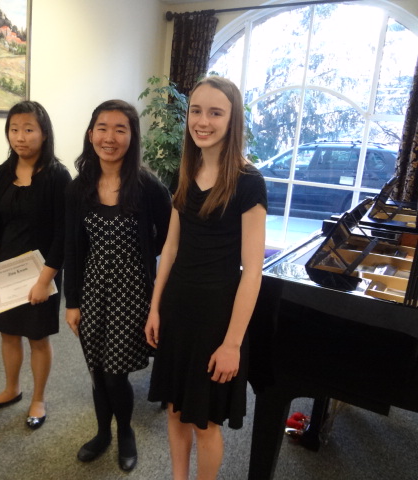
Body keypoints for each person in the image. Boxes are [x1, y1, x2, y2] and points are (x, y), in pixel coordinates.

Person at [145, 76, 267, 480]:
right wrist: (154, 307)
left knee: (205, 422)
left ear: (232, 120)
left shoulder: (249, 182)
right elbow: (172, 249)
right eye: (196, 111)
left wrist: (233, 343)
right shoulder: (188, 169)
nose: (203, 120)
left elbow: (253, 272)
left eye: (216, 112)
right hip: (178, 306)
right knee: (175, 409)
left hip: (217, 316)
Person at [64, 100, 172, 472]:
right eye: (102, 127)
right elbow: (74, 250)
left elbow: (169, 240)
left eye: (120, 129)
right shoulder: (80, 188)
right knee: (97, 370)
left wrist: (149, 275)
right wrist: (72, 301)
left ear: (132, 136)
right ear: (91, 133)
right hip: (93, 290)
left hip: (131, 293)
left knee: (115, 372)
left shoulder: (148, 186)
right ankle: (102, 433)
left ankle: (125, 431)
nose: (109, 137)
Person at [0, 101, 71, 430]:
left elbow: (63, 236)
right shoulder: (1, 174)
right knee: (8, 334)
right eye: (14, 129)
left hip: (43, 272)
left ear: (44, 134)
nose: (20, 136)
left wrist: (44, 281)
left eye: (29, 129)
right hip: (6, 270)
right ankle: (12, 388)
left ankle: (38, 398)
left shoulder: (58, 177)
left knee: (38, 338)